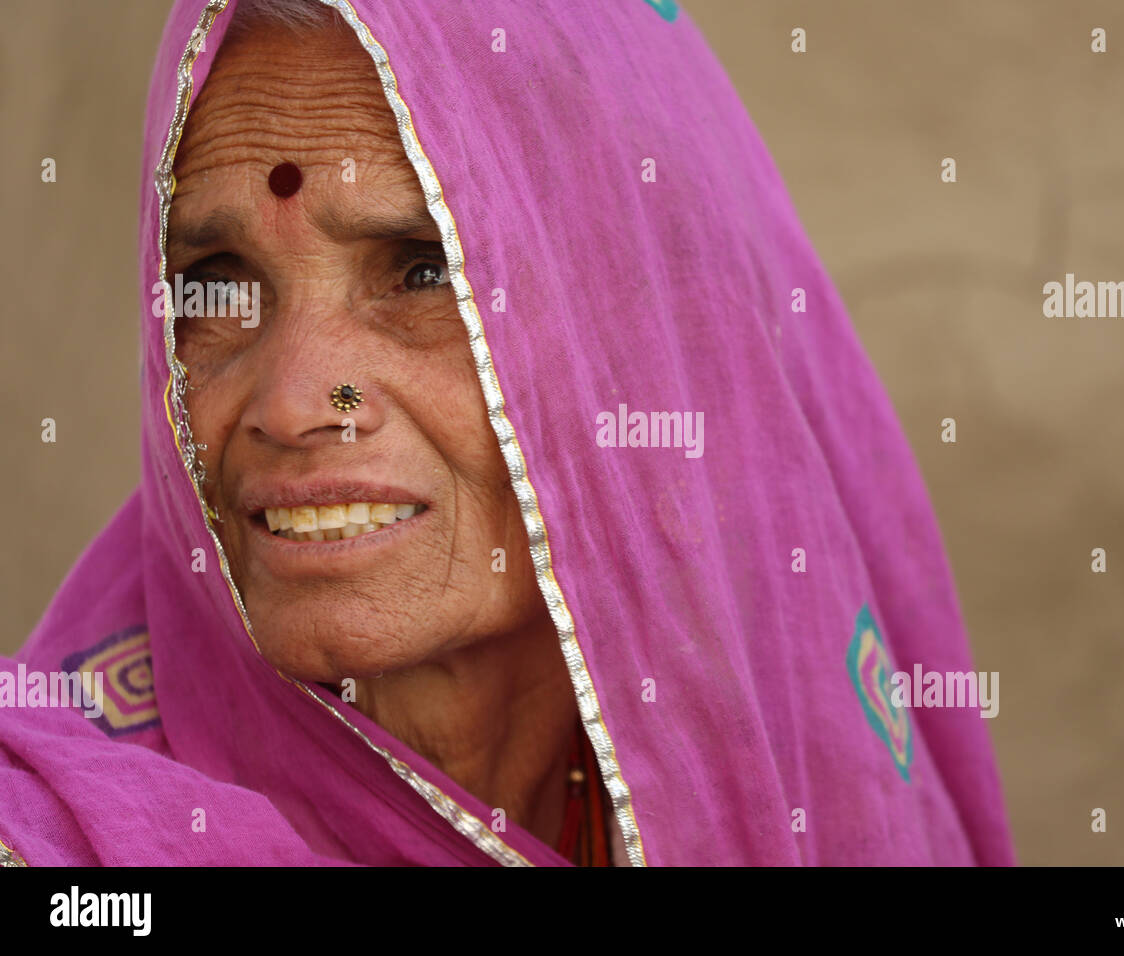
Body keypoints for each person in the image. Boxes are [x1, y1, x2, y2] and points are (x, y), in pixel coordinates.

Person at [0, 0, 1014, 866]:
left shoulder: (798, 763)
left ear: (642, 336)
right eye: (217, 284)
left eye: (423, 270)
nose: (290, 400)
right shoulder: (63, 840)